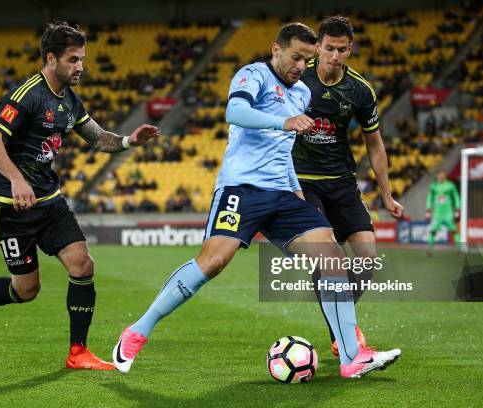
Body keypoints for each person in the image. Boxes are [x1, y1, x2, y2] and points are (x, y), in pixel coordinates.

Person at [112, 23, 400, 379]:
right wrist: (285, 121)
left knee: (333, 261)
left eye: (306, 59)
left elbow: (284, 151)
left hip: (282, 194)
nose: (300, 66)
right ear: (276, 50)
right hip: (241, 190)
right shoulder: (254, 75)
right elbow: (235, 113)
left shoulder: (301, 95)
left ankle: (351, 357)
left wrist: (294, 186)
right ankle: (137, 331)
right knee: (213, 263)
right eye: (296, 57)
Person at [0, 22, 159, 370]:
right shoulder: (28, 93)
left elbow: (98, 138)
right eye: (74, 60)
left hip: (49, 200)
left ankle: (78, 353)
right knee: (26, 290)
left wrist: (130, 141)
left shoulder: (69, 100)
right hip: (9, 205)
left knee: (83, 265)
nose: (81, 67)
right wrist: (16, 180)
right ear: (51, 58)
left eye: (83, 59)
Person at [292, 16, 404, 357]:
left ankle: (341, 322)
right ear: (318, 48)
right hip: (302, 181)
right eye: (329, 49)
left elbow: (375, 144)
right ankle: (343, 332)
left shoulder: (360, 90)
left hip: (342, 182)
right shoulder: (297, 78)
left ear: (349, 49)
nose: (335, 56)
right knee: (329, 257)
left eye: (342, 50)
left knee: (367, 260)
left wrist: (386, 194)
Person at [426, 170, 460, 256]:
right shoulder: (434, 186)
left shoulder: (450, 186)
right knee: (432, 231)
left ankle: (460, 250)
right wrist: (428, 209)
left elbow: (456, 197)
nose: (440, 177)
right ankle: (429, 251)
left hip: (448, 212)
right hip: (437, 213)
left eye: (442, 175)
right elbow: (430, 197)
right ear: (437, 176)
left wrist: (457, 209)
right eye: (439, 175)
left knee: (454, 231)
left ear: (445, 176)